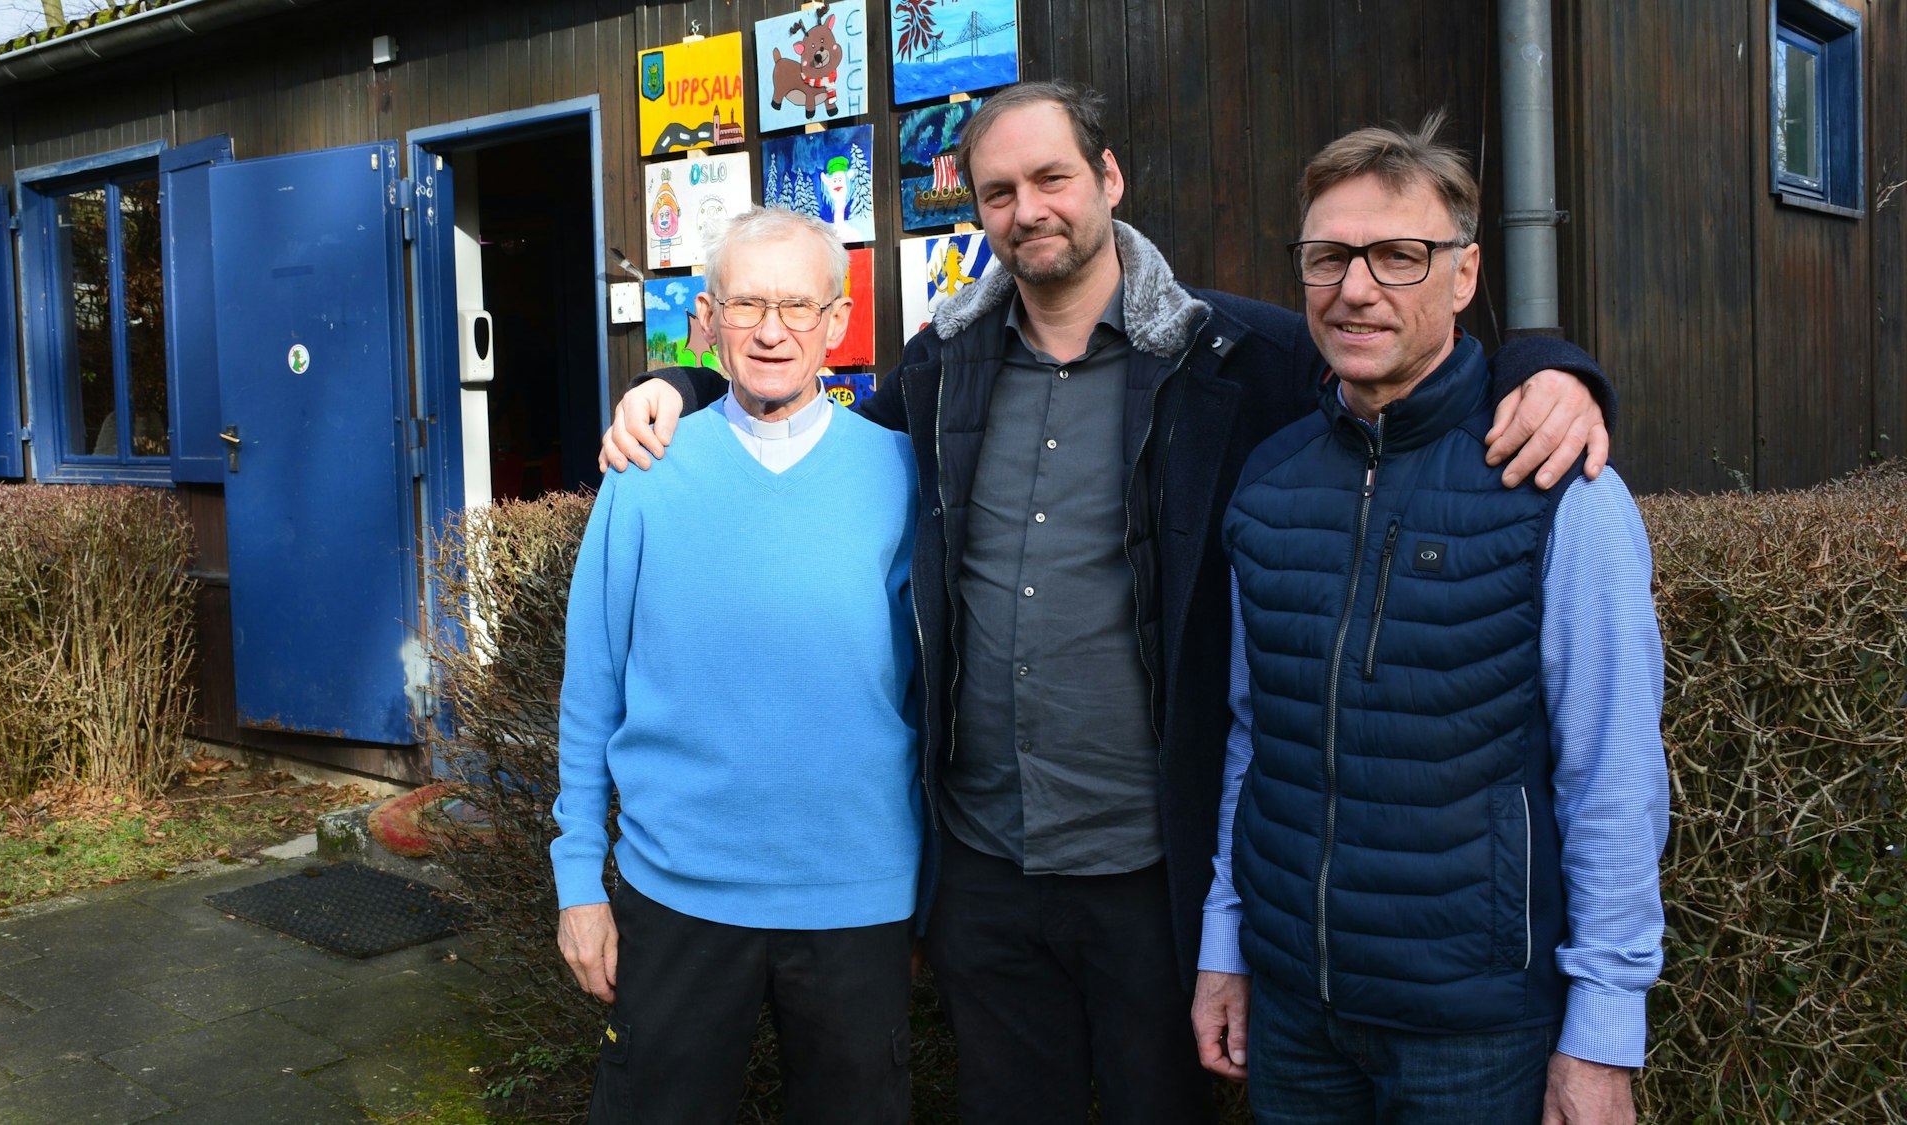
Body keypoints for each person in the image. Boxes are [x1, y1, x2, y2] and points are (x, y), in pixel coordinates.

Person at [601, 81, 1615, 1123]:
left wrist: (1554, 367)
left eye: (1050, 177)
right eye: (997, 190)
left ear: (1108, 180)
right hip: (984, 864)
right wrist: (680, 385)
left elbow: (1393, 354)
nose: (1026, 208)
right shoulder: (942, 368)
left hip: (1146, 865)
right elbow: (798, 408)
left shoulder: (1233, 356)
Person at [1194, 117, 1668, 1124]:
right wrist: (1224, 947)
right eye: (1327, 257)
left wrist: (1602, 1031)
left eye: (1397, 256)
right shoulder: (1270, 482)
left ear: (1461, 276)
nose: (1354, 288)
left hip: (1475, 1030)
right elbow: (1256, 740)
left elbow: (1612, 777)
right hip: (1295, 1011)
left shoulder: (1556, 488)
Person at [551, 207, 921, 1125]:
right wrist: (576, 884)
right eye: (746, 303)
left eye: (797, 307)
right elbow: (590, 688)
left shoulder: (906, 475)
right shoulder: (643, 470)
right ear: (706, 319)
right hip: (678, 891)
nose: (770, 330)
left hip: (858, 896)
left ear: (838, 323)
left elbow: (938, 690)